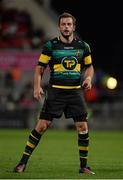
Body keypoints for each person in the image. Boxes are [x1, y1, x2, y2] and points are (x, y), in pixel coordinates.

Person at [13, 12, 95, 174]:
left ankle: (83, 166)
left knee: (82, 127)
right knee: (42, 126)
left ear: (73, 27)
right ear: (59, 27)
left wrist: (89, 79)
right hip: (56, 92)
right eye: (63, 24)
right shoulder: (50, 46)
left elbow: (89, 66)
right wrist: (37, 87)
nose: (66, 27)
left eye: (69, 24)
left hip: (75, 93)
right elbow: (39, 68)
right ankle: (22, 163)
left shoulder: (83, 46)